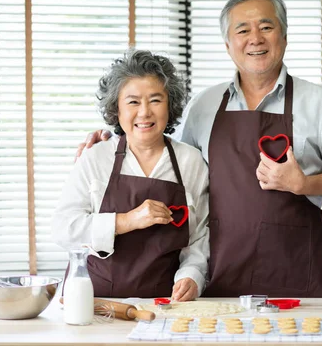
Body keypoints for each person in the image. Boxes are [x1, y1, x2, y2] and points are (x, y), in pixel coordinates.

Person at [77, 0, 322, 298]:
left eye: (266, 27)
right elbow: (170, 167)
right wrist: (107, 154)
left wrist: (303, 183)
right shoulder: (205, 104)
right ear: (228, 45)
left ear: (283, 35)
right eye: (242, 30)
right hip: (219, 267)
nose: (255, 38)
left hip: (294, 264)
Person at [52, 49, 209, 301]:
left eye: (156, 100)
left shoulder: (190, 161)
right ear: (117, 109)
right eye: (133, 102)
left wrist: (192, 275)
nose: (145, 112)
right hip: (96, 303)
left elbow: (199, 236)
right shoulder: (95, 158)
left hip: (165, 305)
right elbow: (63, 229)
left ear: (170, 105)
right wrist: (127, 220)